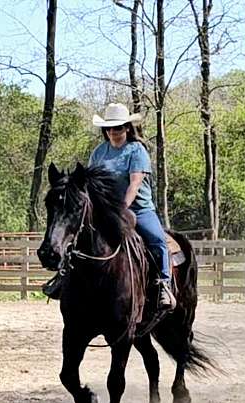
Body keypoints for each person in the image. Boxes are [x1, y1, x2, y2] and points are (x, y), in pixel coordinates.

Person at [43, 103, 176, 312]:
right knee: (80, 236)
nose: (114, 132)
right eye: (110, 128)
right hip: (103, 210)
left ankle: (163, 285)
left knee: (157, 239)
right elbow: (89, 185)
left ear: (127, 128)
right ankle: (63, 278)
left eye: (118, 127)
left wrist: (122, 209)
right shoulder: (99, 152)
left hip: (138, 208)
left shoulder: (137, 151)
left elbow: (134, 184)